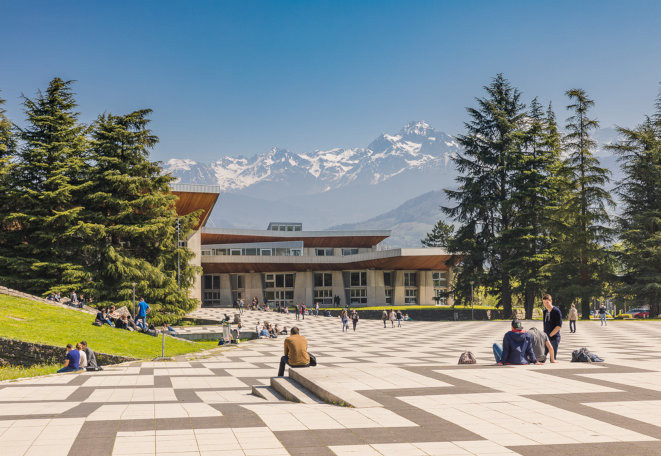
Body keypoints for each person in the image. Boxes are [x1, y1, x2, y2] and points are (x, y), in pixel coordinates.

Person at [542, 294, 562, 359]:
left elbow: (559, 326)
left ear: (551, 301)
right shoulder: (545, 312)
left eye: (547, 302)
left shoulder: (556, 311)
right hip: (546, 337)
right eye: (544, 303)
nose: (546, 304)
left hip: (554, 337)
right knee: (542, 357)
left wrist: (551, 335)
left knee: (552, 358)